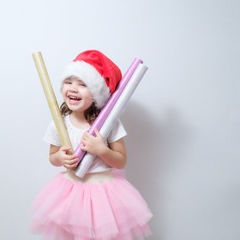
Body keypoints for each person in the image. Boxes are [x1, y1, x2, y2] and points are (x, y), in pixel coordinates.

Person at [30, 50, 152, 240]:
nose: (73, 88)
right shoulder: (59, 123)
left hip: (104, 192)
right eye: (68, 82)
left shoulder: (110, 124)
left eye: (83, 84)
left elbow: (121, 161)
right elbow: (53, 156)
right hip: (71, 192)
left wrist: (101, 150)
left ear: (97, 93)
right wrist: (60, 157)